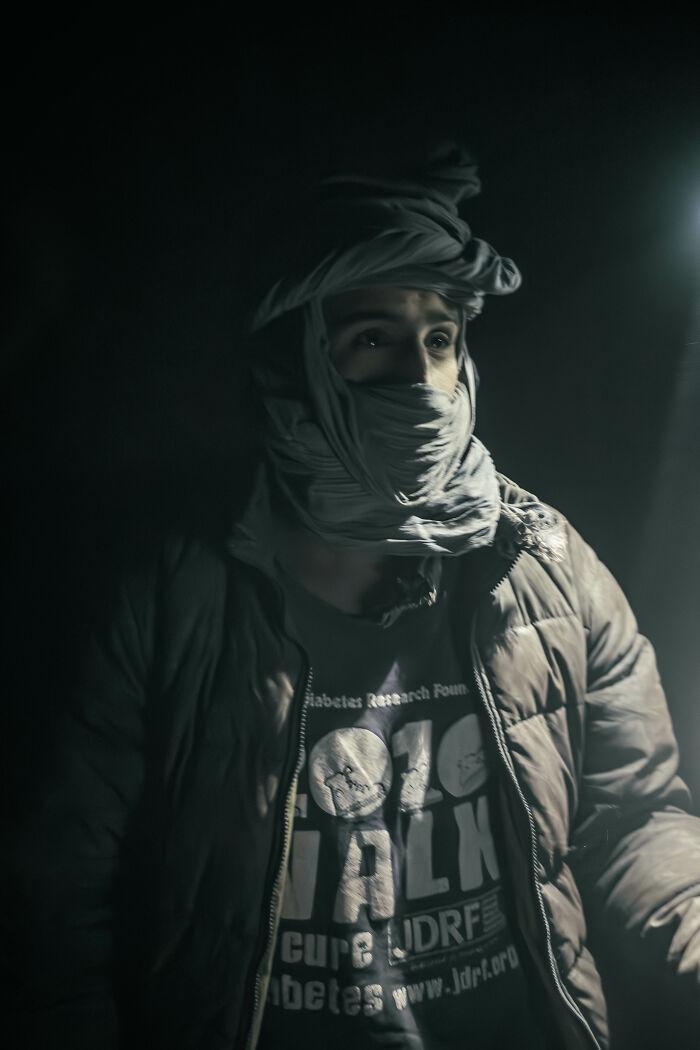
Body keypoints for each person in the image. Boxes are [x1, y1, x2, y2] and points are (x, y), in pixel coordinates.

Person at [5, 143, 700, 1050]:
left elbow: (631, 818)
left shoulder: (547, 568)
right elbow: (57, 907)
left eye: (440, 339)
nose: (420, 378)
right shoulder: (172, 598)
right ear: (297, 360)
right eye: (373, 338)